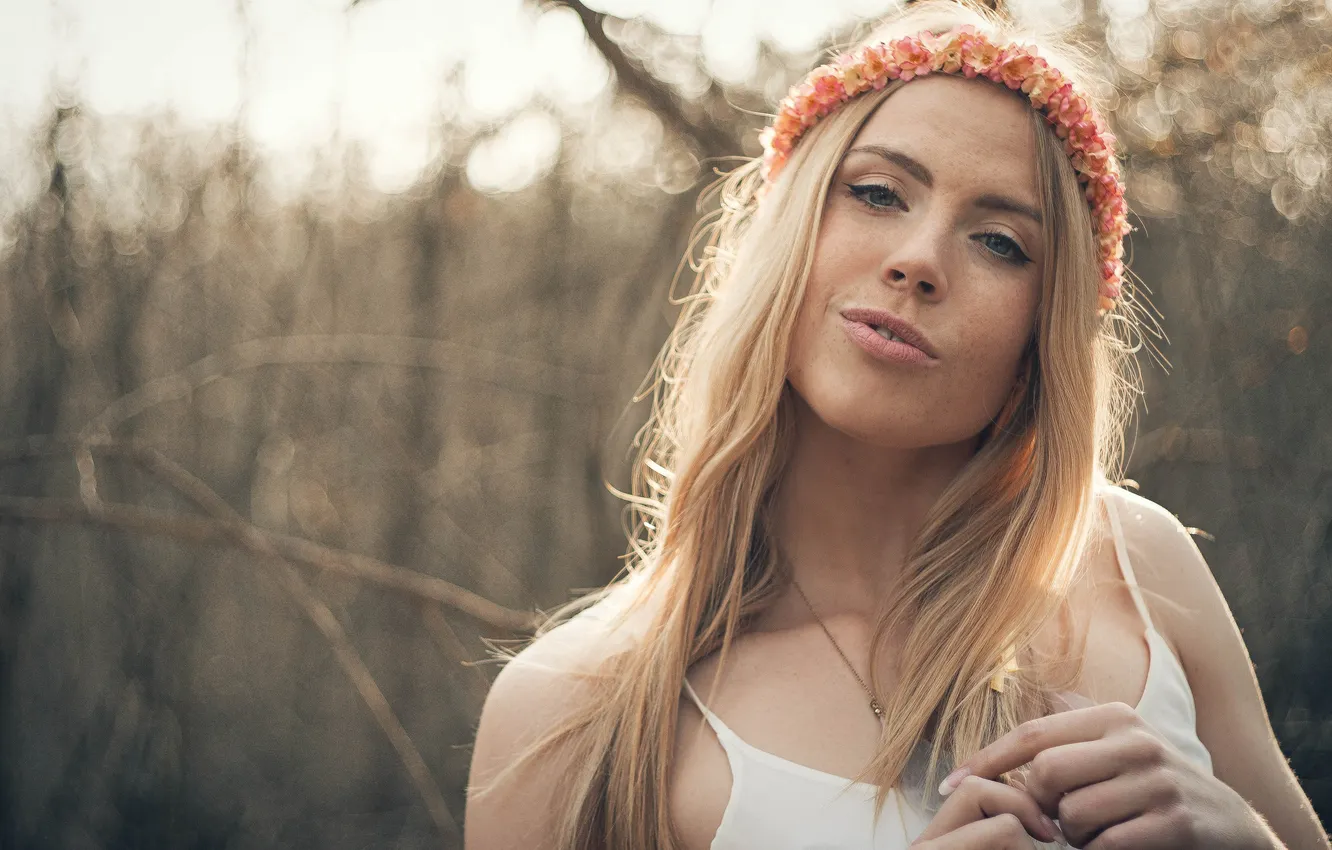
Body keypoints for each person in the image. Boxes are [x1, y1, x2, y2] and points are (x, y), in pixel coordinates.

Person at [464, 1, 1331, 848]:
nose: (919, 260)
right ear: (789, 227)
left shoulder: (1140, 567)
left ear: (1042, 333)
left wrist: (1247, 840)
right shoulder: (573, 708)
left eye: (1000, 242)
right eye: (878, 193)